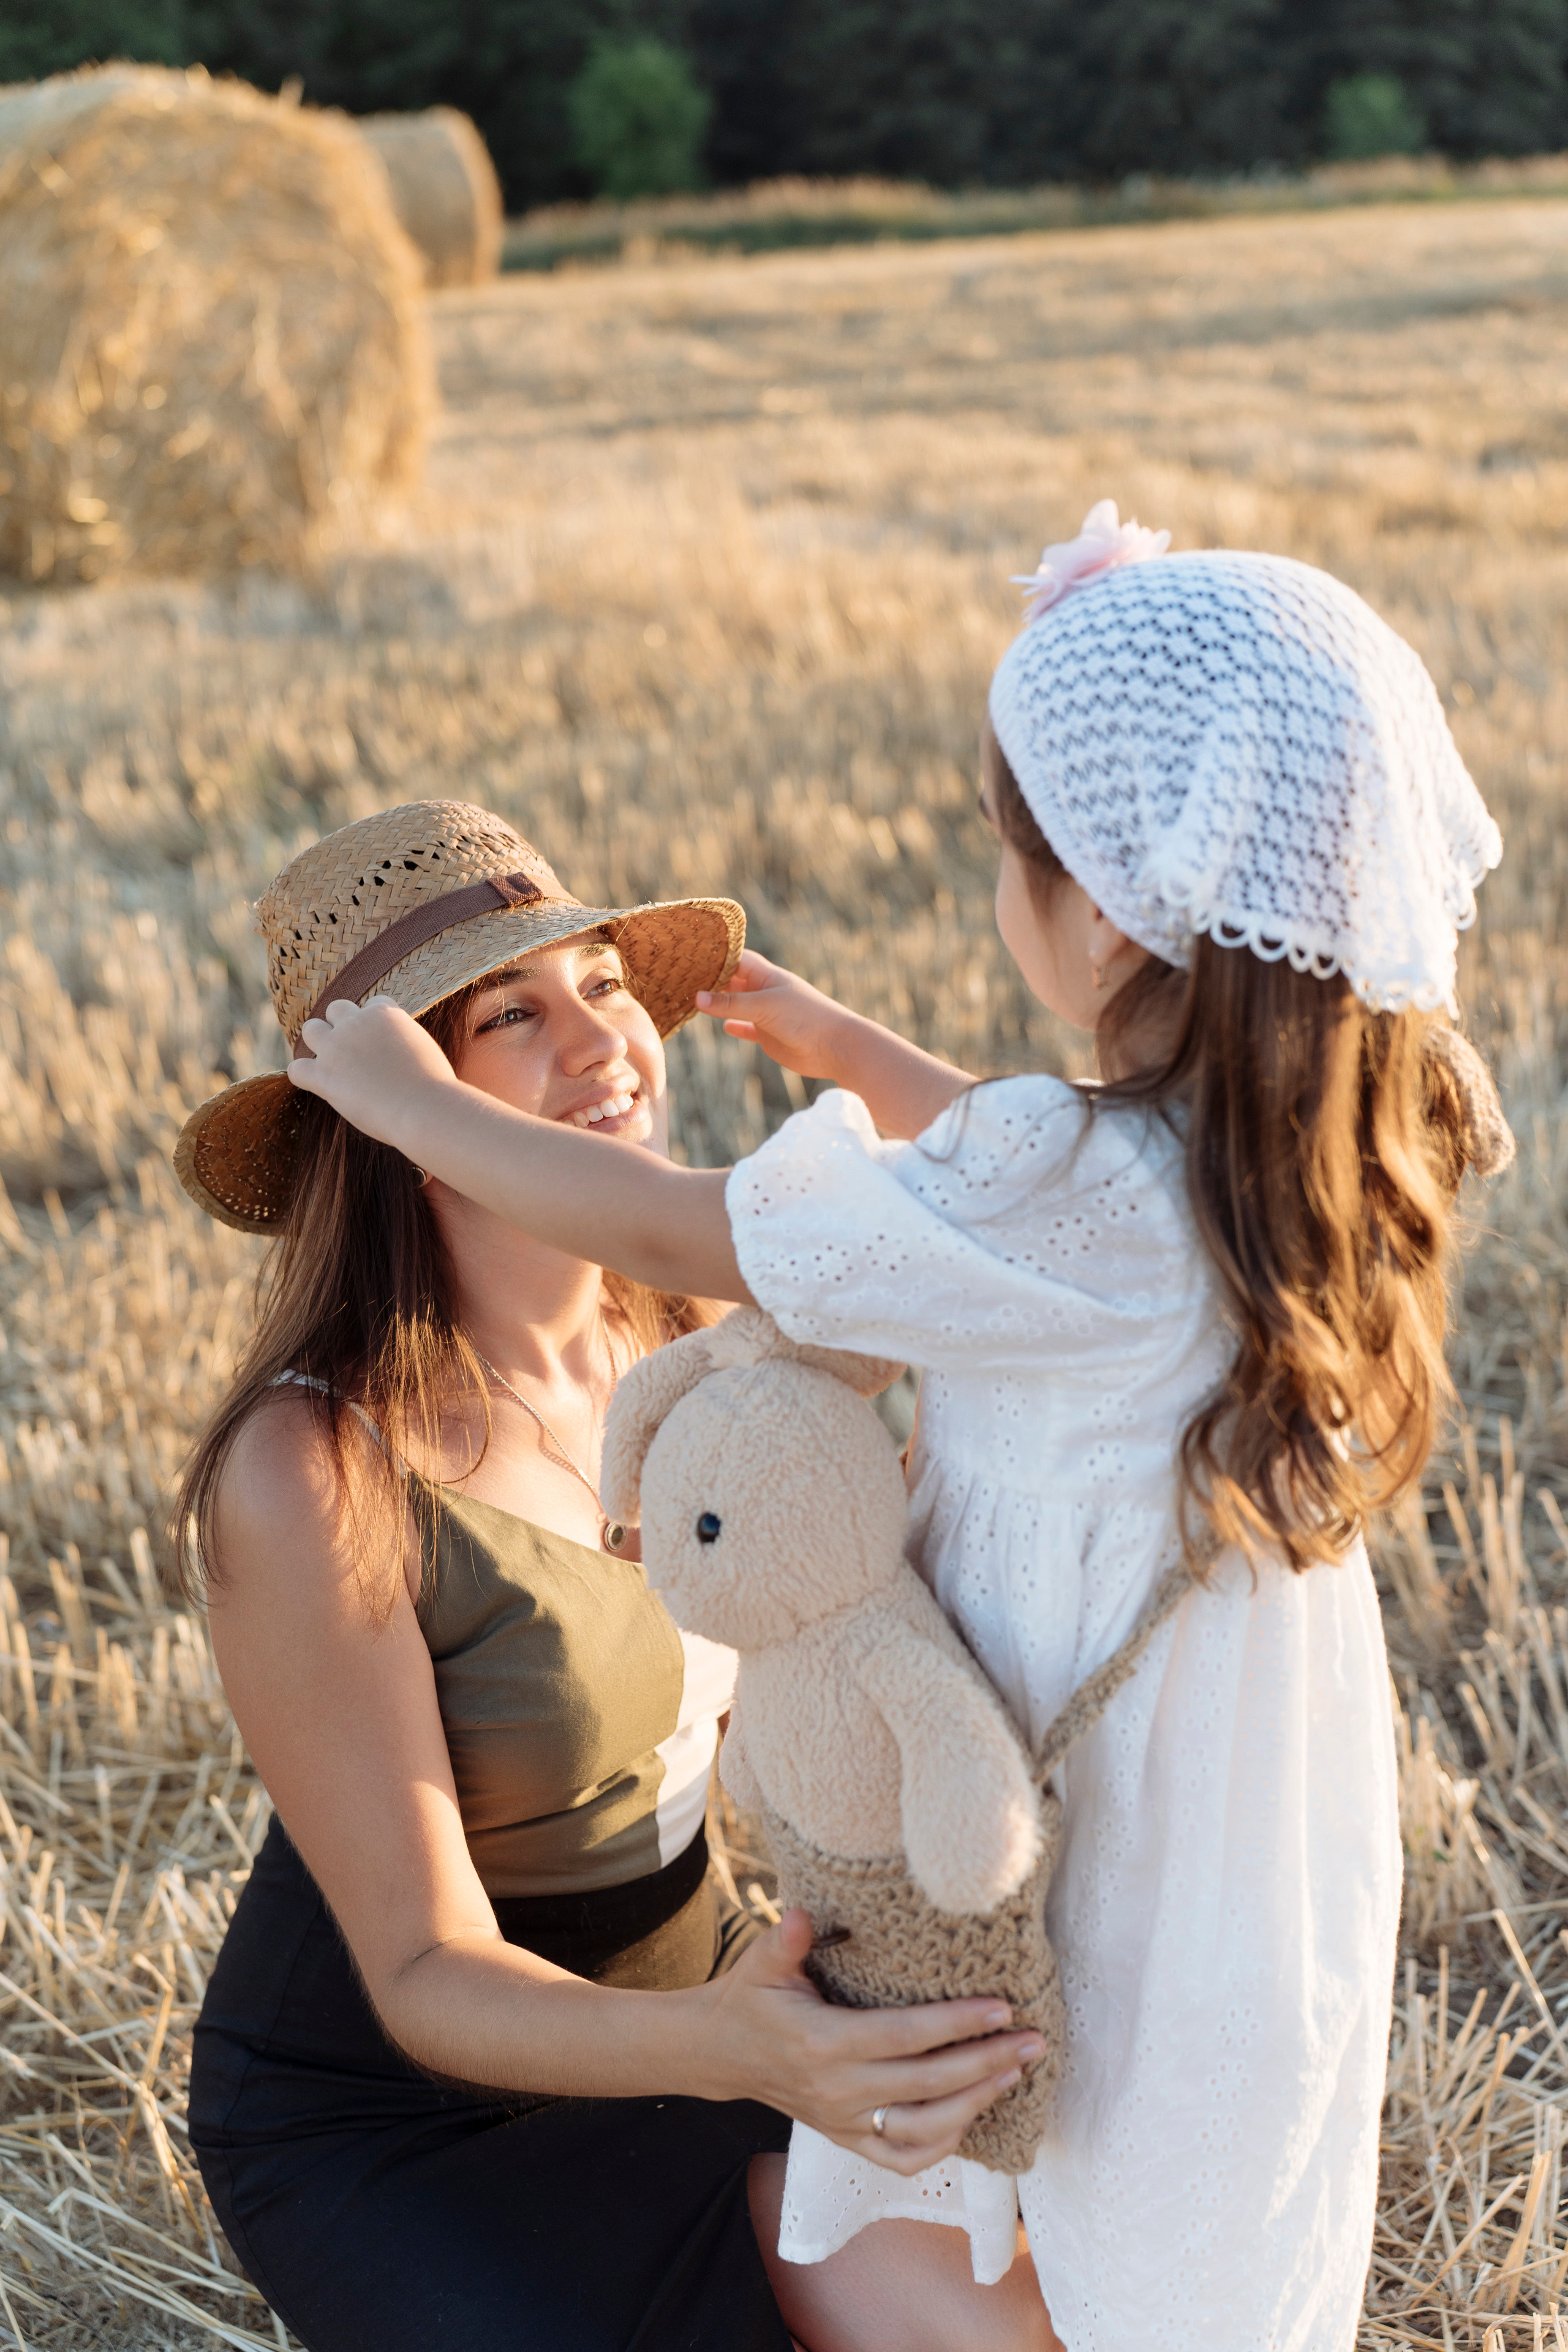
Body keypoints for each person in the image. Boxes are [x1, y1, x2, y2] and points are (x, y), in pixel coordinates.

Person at [287, 508, 1515, 2348]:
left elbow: (697, 1225)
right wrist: (860, 1056)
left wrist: (421, 1109)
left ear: (1102, 910)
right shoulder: (1261, 1159)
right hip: (1235, 1812)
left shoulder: (1064, 1194)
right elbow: (1033, 1182)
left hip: (1096, 1819)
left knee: (1106, 2177)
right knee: (1149, 2214)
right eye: (509, 1018)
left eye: (1005, 853)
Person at [169, 804, 1057, 2352]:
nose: (603, 1044)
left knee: (1014, 2324)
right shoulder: (311, 1465)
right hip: (401, 2110)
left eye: (600, 984)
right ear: (397, 1108)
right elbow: (423, 1967)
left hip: (703, 1998)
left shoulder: (694, 1329)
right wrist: (730, 2051)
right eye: (510, 1016)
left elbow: (1040, 1221)